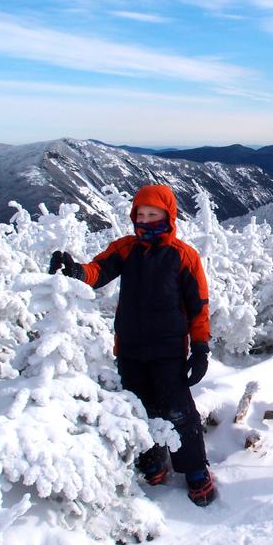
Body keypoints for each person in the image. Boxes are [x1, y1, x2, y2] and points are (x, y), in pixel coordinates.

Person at [49, 184, 216, 507]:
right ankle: (151, 460)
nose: (146, 220)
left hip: (168, 351)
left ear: (169, 217)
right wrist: (75, 271)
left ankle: (194, 468)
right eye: (141, 214)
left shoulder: (183, 256)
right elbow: (98, 272)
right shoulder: (126, 249)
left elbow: (199, 307)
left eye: (154, 214)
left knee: (179, 411)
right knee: (138, 408)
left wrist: (200, 348)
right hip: (130, 349)